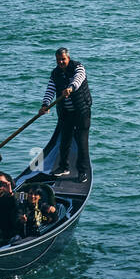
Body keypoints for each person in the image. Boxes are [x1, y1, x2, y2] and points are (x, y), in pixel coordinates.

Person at [39, 47, 92, 183]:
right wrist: (45, 105)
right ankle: (63, 167)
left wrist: (71, 88)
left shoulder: (78, 67)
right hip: (66, 112)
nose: (61, 62)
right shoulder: (55, 73)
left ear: (68, 58)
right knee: (64, 140)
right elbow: (50, 89)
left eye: (63, 59)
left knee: (81, 142)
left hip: (82, 111)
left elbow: (78, 79)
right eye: (58, 60)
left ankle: (83, 172)